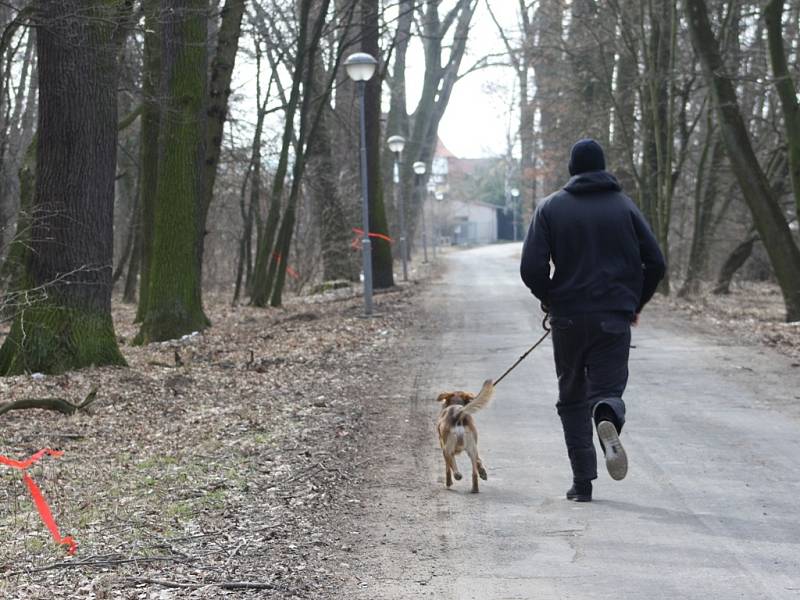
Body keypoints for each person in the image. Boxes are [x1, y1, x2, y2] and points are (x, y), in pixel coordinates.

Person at [520, 139, 666, 502]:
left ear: (572, 169)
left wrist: (550, 297)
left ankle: (582, 483)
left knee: (571, 397)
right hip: (614, 316)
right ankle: (606, 414)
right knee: (607, 390)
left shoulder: (550, 207)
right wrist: (635, 302)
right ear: (603, 167)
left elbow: (530, 268)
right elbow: (657, 263)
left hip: (569, 318)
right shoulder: (624, 207)